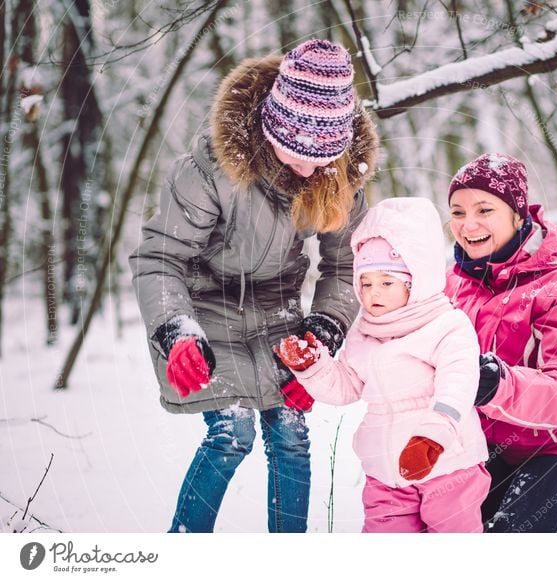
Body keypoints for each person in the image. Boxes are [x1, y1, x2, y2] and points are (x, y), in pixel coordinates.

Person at [129, 39, 379, 533]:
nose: (309, 168)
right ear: (271, 129)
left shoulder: (337, 176)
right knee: (232, 432)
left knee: (290, 434)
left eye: (322, 157)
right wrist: (175, 331)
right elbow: (161, 258)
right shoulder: (212, 170)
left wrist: (324, 329)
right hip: (205, 312)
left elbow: (346, 266)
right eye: (298, 153)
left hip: (278, 319)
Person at [275, 197, 490, 533]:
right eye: (366, 282)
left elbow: (459, 385)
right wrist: (314, 367)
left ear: (416, 280)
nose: (374, 293)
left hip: (448, 466)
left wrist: (431, 437)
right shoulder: (365, 330)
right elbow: (347, 385)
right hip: (385, 475)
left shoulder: (446, 325)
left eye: (387, 282)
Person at [445, 153, 557, 533]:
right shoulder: (451, 287)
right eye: (457, 212)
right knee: (448, 526)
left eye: (484, 209)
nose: (468, 224)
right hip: (488, 450)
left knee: (508, 535)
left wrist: (500, 384)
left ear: (518, 215)